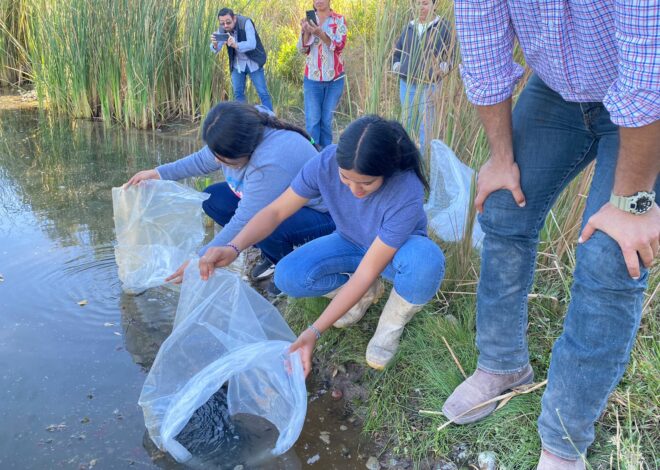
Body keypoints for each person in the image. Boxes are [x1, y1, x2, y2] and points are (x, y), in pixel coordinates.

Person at [444, 2, 659, 469]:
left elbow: (648, 73)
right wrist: (501, 158)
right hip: (559, 91)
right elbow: (483, 55)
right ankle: (503, 366)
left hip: (647, 95)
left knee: (611, 253)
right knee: (503, 202)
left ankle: (564, 442)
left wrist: (633, 204)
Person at [195, 115, 446, 372]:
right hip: (350, 240)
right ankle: (365, 295)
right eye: (346, 179)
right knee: (287, 276)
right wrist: (233, 247)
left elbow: (367, 270)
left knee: (426, 260)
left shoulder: (406, 188)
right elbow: (276, 211)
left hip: (395, 254)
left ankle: (389, 328)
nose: (354, 191)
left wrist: (314, 331)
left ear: (387, 170)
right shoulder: (325, 162)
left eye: (367, 183)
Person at [125, 101, 335, 291]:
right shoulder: (245, 126)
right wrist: (158, 173)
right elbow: (202, 160)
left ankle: (285, 263)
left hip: (323, 215)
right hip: (280, 204)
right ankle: (271, 252)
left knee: (267, 228)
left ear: (245, 151)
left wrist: (201, 259)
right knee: (213, 198)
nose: (216, 162)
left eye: (224, 159)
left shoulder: (272, 161)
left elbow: (247, 219)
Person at [392, 0, 452, 152]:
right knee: (407, 125)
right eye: (417, 4)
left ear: (434, 4)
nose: (421, 8)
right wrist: (397, 67)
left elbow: (453, 54)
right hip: (407, 84)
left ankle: (425, 166)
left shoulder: (443, 26)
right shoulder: (409, 27)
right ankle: (409, 164)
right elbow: (396, 53)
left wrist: (442, 69)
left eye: (425, 3)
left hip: (429, 85)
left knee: (427, 129)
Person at [297, 0, 348, 148]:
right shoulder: (309, 20)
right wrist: (306, 32)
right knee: (313, 121)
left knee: (326, 120)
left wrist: (320, 33)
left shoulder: (339, 20)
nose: (319, 1)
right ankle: (312, 154)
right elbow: (302, 49)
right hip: (312, 78)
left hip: (334, 78)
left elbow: (339, 45)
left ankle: (325, 155)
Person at [211, 8, 273, 111]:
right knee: (238, 94)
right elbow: (216, 49)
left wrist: (236, 45)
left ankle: (271, 121)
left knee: (263, 93)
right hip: (237, 65)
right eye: (222, 23)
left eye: (228, 22)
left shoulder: (246, 22)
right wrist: (215, 44)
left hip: (253, 62)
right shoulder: (223, 28)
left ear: (234, 18)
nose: (225, 26)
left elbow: (252, 44)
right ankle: (243, 120)